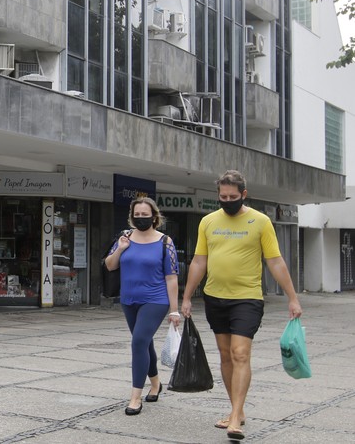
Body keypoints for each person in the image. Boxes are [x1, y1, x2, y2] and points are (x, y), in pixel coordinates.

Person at [181, 170, 302, 441]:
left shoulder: (260, 221)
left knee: (240, 354)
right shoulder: (208, 222)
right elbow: (199, 261)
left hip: (247, 298)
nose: (227, 201)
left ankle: (235, 419)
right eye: (223, 197)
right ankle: (238, 408)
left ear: (244, 194)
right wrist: (187, 297)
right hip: (214, 297)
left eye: (233, 197)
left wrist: (292, 297)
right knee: (225, 356)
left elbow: (275, 261)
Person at [104, 196, 180, 416]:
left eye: (144, 215)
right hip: (129, 300)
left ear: (154, 216)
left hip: (156, 300)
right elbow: (110, 265)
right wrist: (120, 248)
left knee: (138, 342)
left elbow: (172, 277)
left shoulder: (165, 241)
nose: (140, 219)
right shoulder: (125, 237)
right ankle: (155, 383)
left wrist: (174, 310)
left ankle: (135, 397)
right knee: (145, 344)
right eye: (137, 215)